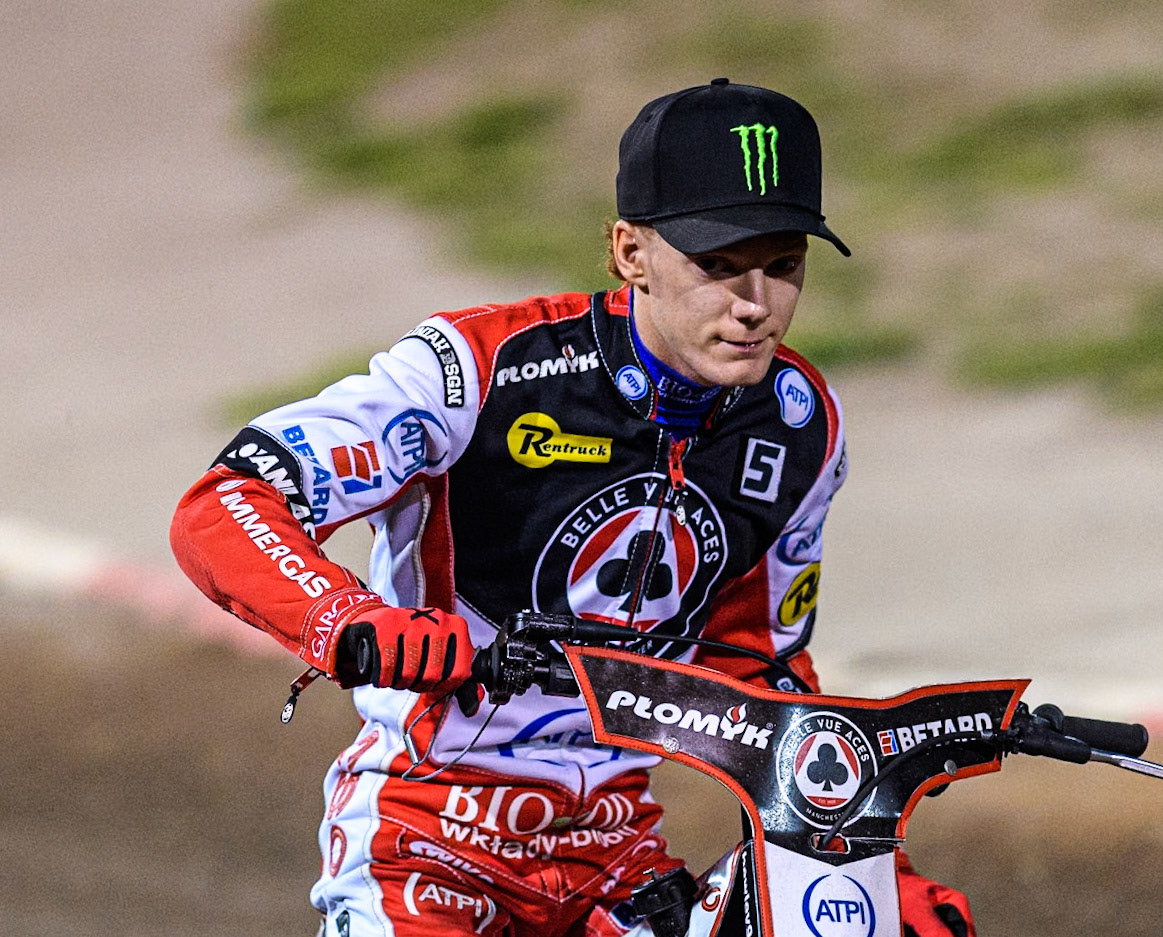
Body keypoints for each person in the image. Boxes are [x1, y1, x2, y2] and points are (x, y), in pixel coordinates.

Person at [171, 78, 975, 937]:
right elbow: (226, 504)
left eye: (783, 266)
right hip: (424, 833)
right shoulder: (474, 371)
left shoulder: (800, 424)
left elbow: (763, 674)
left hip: (615, 856)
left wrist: (864, 866)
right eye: (715, 265)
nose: (754, 305)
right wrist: (352, 619)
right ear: (630, 252)